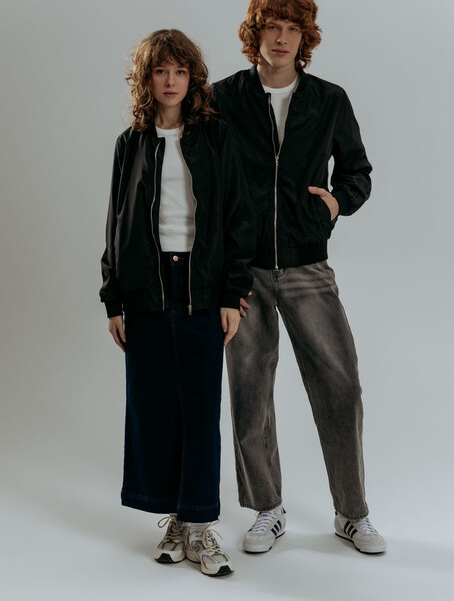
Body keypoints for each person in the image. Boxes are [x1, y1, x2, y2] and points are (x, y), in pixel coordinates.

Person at [212, 0, 386, 555]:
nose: (281, 37)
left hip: (308, 265)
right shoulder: (224, 98)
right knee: (249, 391)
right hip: (242, 271)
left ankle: (352, 514)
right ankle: (268, 508)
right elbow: (199, 171)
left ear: (304, 38)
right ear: (255, 33)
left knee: (341, 386)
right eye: (272, 26)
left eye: (292, 28)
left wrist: (335, 204)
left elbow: (358, 171)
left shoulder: (328, 99)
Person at [100, 29, 255, 577]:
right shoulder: (131, 143)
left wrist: (233, 292)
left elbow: (238, 217)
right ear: (147, 79)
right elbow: (116, 224)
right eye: (161, 71)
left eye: (180, 71)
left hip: (200, 285)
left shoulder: (216, 136)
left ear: (193, 78)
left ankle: (200, 525)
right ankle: (174, 518)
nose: (171, 81)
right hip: (145, 288)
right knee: (154, 408)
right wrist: (113, 299)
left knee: (200, 408)